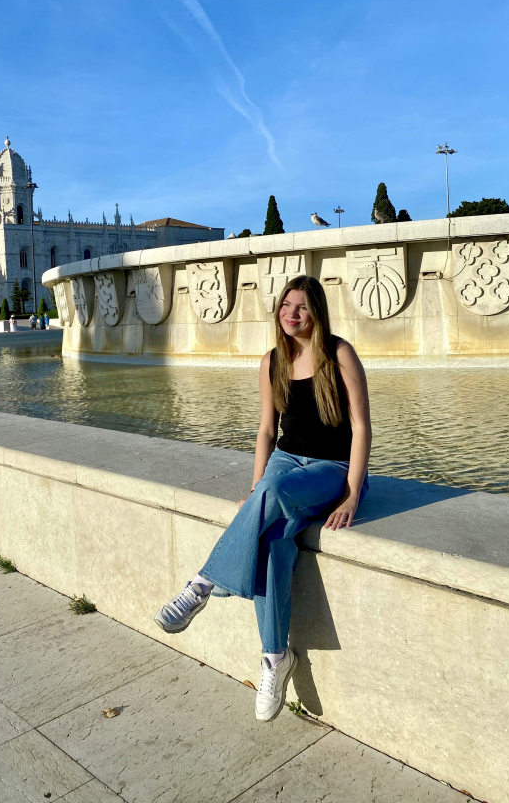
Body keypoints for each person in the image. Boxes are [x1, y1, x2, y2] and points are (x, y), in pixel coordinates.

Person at [155, 275, 372, 722]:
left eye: (302, 308)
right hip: (283, 464)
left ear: (317, 312)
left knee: (271, 497)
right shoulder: (272, 360)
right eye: (285, 306)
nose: (291, 314)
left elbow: (362, 427)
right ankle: (275, 657)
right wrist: (256, 488)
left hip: (330, 470)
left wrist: (351, 493)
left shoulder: (340, 353)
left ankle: (204, 583)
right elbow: (266, 432)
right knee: (274, 544)